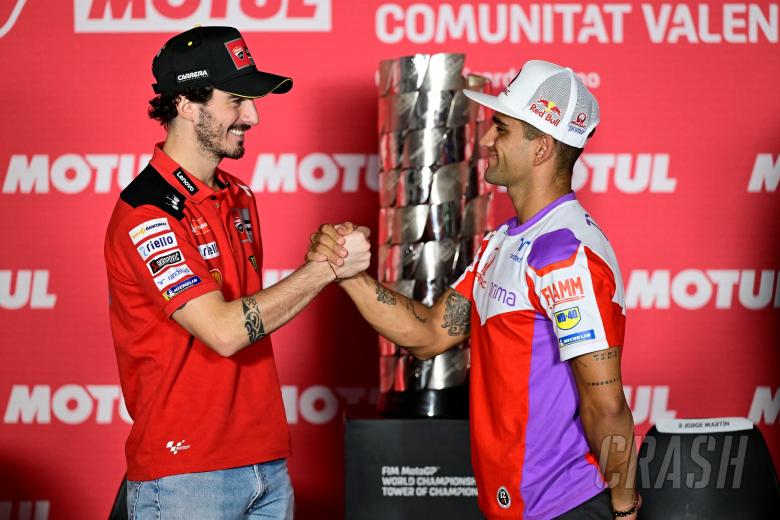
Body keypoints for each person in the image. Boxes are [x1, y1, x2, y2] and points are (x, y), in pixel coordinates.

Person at [309, 60, 640, 519]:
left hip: (566, 507)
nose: (485, 140)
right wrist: (348, 274)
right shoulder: (504, 241)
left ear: (541, 148)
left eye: (500, 129)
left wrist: (625, 509)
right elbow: (428, 334)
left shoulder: (565, 255)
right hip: (512, 505)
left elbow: (606, 406)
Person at [104, 26, 370, 519]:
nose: (253, 115)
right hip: (187, 473)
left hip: (265, 462)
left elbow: (255, 314)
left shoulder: (239, 197)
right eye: (236, 100)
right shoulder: (148, 212)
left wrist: (324, 264)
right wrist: (324, 268)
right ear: (185, 102)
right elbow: (224, 331)